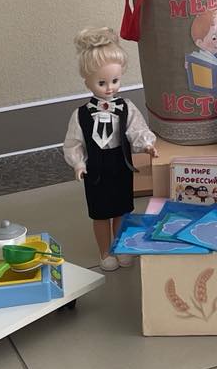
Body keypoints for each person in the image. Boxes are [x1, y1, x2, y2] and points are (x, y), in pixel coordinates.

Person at [62, 27, 157, 272]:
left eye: (115, 81)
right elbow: (73, 143)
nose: (109, 88)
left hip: (119, 165)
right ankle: (105, 251)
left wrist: (146, 144)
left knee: (123, 211)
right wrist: (78, 163)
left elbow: (136, 129)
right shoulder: (80, 115)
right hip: (95, 169)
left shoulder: (126, 107)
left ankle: (122, 246)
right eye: (101, 82)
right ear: (87, 81)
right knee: (100, 214)